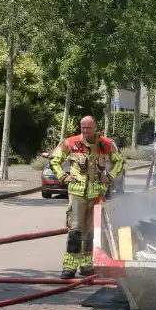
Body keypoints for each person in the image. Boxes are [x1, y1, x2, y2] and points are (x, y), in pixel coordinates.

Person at [50, 116, 124, 280]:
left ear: (95, 128)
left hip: (96, 194)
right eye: (82, 128)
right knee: (75, 230)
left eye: (88, 128)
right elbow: (54, 160)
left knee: (91, 232)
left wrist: (110, 176)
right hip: (77, 194)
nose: (84, 131)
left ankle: (86, 265)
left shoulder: (105, 144)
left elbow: (119, 162)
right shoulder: (70, 143)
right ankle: (69, 267)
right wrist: (63, 176)